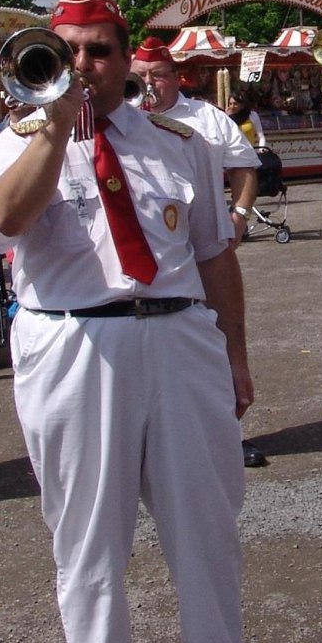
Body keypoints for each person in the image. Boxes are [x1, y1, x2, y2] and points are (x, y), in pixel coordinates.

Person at [0, 0, 251, 643]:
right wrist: (54, 127)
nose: (83, 65)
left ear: (127, 58)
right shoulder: (17, 142)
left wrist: (236, 357)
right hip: (72, 344)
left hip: (179, 337)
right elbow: (7, 220)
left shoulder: (180, 142)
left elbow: (214, 255)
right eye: (67, 51)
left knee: (208, 532)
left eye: (98, 51)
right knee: (88, 546)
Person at [131, 35, 269, 469]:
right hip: (142, 253)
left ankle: (228, 433)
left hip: (201, 248)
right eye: (140, 75)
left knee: (216, 338)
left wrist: (239, 215)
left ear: (176, 78)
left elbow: (244, 166)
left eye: (158, 75)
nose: (149, 84)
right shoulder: (121, 117)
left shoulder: (207, 118)